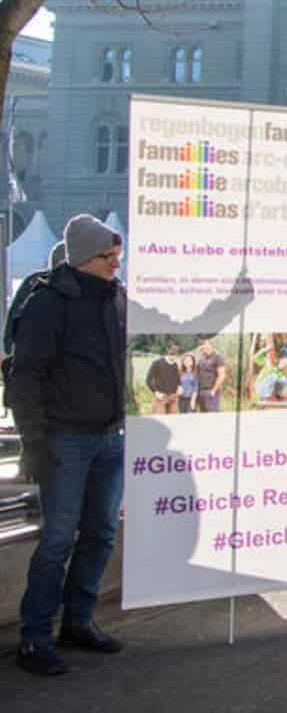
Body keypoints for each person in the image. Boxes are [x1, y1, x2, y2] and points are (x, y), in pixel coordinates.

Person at [10, 216, 131, 675]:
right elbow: (26, 378)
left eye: (118, 258)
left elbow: (164, 327)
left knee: (100, 533)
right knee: (58, 540)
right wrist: (34, 444)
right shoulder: (49, 303)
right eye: (109, 258)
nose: (116, 266)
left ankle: (78, 622)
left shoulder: (116, 298)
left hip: (108, 437)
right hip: (65, 441)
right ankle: (34, 637)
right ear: (84, 258)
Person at [146, 341, 182, 415]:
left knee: (172, 422)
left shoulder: (175, 365)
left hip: (173, 397)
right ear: (167, 349)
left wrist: (180, 386)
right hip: (161, 397)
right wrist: (156, 392)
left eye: (176, 351)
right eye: (172, 350)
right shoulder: (157, 363)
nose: (174, 352)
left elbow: (178, 379)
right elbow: (148, 380)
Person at [191, 338, 227, 412]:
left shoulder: (218, 357)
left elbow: (222, 375)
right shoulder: (201, 360)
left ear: (210, 345)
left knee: (211, 416)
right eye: (201, 346)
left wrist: (213, 391)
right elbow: (196, 375)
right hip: (200, 392)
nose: (203, 347)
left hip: (210, 392)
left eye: (205, 344)